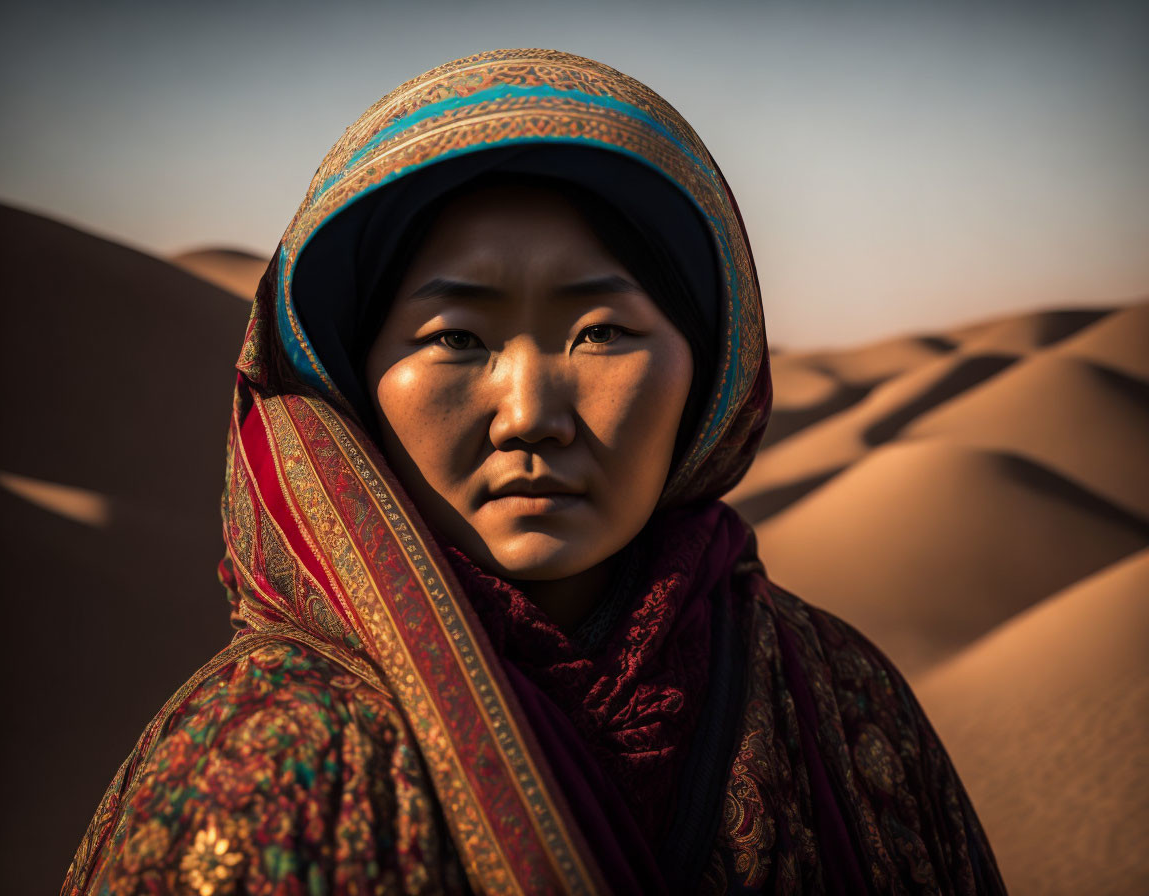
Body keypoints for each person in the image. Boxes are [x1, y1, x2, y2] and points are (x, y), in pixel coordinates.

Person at [64, 49, 1005, 894]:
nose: (531, 415)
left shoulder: (838, 692)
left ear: (710, 368)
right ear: (353, 384)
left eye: (602, 333)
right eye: (455, 338)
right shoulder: (266, 761)